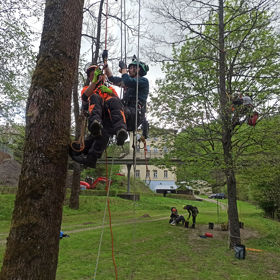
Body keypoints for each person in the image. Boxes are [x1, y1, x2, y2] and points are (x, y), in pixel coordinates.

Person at [69, 65, 128, 168]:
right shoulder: (88, 88)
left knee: (114, 101)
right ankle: (87, 154)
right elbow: (85, 96)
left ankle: (121, 130)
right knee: (102, 133)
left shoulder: (108, 88)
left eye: (96, 75)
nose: (94, 77)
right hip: (97, 116)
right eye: (92, 76)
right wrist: (94, 83)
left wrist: (110, 92)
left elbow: (118, 104)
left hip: (109, 116)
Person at [104, 56, 149, 137]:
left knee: (115, 103)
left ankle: (121, 132)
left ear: (138, 69)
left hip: (134, 114)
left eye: (131, 68)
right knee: (107, 109)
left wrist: (124, 69)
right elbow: (112, 79)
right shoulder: (128, 82)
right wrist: (106, 65)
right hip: (126, 114)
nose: (129, 70)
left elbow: (128, 81)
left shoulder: (143, 81)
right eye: (129, 68)